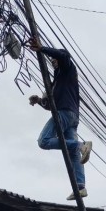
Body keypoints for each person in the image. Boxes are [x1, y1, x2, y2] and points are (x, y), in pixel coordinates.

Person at [27, 38, 92, 200]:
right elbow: (50, 106)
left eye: (54, 59)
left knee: (44, 141)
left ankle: (82, 145)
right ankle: (80, 186)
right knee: (73, 153)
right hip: (72, 117)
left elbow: (64, 56)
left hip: (66, 113)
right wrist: (39, 102)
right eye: (52, 61)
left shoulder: (67, 69)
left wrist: (42, 49)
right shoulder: (57, 81)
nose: (53, 62)